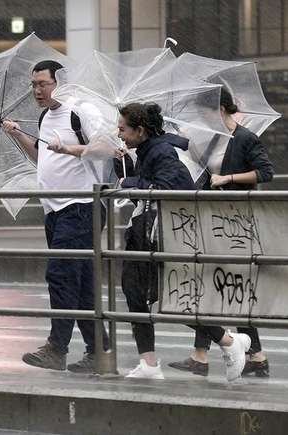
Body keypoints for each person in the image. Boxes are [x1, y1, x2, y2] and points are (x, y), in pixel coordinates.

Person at [115, 102, 252, 380]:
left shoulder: (162, 151)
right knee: (136, 292)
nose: (119, 134)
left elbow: (168, 188)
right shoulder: (146, 150)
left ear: (140, 130)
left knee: (169, 297)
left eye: (122, 129)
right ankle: (150, 363)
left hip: (162, 234)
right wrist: (127, 171)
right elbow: (144, 190)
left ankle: (228, 341)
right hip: (148, 232)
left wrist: (129, 183)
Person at [2, 60, 109, 374]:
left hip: (80, 206)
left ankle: (56, 348)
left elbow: (107, 148)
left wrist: (71, 150)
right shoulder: (46, 116)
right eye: (34, 84)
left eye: (43, 84)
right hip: (56, 210)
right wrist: (18, 135)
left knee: (61, 276)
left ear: (59, 82)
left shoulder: (81, 111)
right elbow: (43, 156)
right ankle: (99, 350)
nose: (37, 90)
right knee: (83, 283)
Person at [168, 89, 274, 378]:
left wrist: (227, 178)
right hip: (214, 219)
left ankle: (225, 356)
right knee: (217, 287)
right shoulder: (214, 137)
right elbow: (205, 170)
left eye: (205, 111)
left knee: (229, 287)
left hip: (236, 222)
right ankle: (237, 356)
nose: (202, 118)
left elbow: (265, 172)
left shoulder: (245, 138)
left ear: (221, 109)